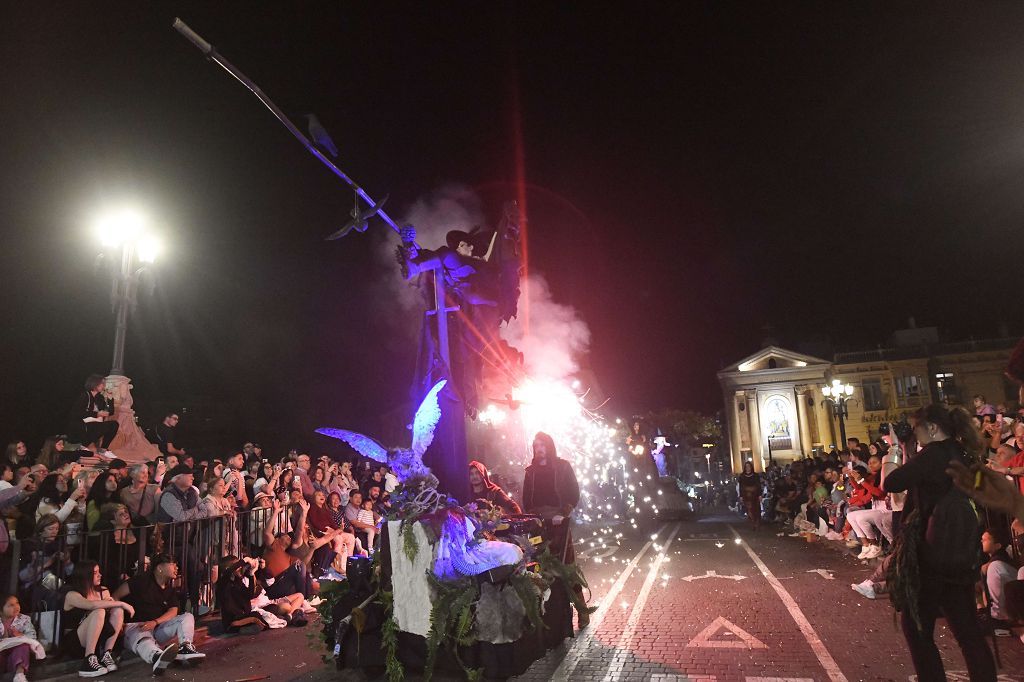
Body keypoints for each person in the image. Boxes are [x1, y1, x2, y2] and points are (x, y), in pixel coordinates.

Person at [884, 404, 996, 682]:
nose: (915, 435)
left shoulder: (933, 454)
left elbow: (892, 482)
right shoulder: (964, 453)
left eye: (917, 429)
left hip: (929, 554)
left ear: (932, 428)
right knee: (967, 630)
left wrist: (897, 450)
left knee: (917, 628)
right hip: (959, 553)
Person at [521, 431, 590, 628]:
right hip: (538, 525)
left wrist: (564, 514)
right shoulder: (530, 472)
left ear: (549, 446)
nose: (539, 449)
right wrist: (533, 519)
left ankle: (582, 610)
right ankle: (552, 619)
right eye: (536, 446)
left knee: (567, 568)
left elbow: (573, 493)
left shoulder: (562, 466)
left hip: (559, 522)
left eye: (542, 445)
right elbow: (527, 501)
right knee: (541, 570)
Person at [113, 553, 204, 674]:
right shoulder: (141, 581)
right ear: (160, 568)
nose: (176, 568)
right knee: (142, 638)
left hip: (156, 628)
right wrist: (117, 622)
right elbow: (115, 596)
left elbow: (173, 611)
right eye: (173, 564)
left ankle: (185, 647)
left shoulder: (169, 590)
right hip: (134, 627)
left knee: (187, 616)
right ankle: (156, 656)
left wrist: (155, 622)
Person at [62, 560, 133, 677]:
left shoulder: (103, 591)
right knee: (99, 611)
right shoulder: (72, 595)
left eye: (99, 572)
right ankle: (88, 661)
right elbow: (92, 605)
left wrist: (114, 606)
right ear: (85, 575)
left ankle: (107, 654)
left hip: (98, 638)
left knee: (118, 611)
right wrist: (122, 604)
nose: (100, 575)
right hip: (76, 642)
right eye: (95, 573)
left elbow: (111, 613)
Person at [68, 375, 118, 451]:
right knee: (90, 428)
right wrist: (96, 414)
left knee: (114, 425)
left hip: (95, 424)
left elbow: (110, 412)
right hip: (83, 425)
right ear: (95, 384)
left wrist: (110, 399)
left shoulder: (100, 398)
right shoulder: (85, 396)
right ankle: (84, 445)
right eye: (102, 383)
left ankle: (103, 449)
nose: (103, 386)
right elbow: (77, 413)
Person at [0, 594, 38, 682]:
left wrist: (20, 635)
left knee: (23, 646)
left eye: (17, 603)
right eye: (11, 605)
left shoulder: (24, 619)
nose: (16, 607)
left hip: (15, 656)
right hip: (2, 655)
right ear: (1, 610)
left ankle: (19, 675)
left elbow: (32, 637)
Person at [736, 461, 762, 530]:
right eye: (746, 466)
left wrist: (760, 495)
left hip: (755, 495)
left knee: (756, 509)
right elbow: (741, 487)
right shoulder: (742, 476)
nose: (748, 468)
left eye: (749, 466)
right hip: (746, 495)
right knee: (749, 509)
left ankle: (757, 522)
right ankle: (753, 522)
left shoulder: (755, 475)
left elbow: (758, 485)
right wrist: (741, 496)